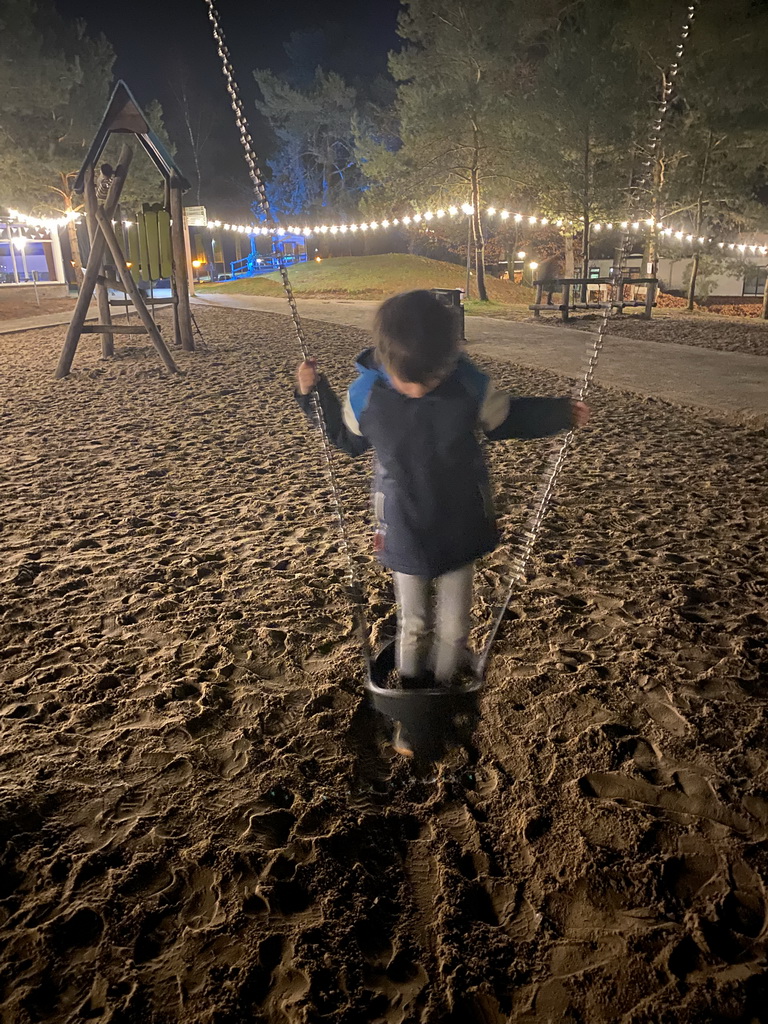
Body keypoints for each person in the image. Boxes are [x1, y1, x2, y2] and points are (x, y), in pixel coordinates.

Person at [295, 289, 589, 756]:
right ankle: (411, 715)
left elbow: (508, 417)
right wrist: (314, 393)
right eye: (405, 379)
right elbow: (344, 438)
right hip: (403, 524)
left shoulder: (469, 386)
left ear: (449, 361)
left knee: (453, 626)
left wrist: (559, 413)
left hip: (461, 525)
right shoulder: (367, 393)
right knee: (413, 622)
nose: (415, 389)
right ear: (385, 361)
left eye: (428, 378)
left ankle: (448, 700)